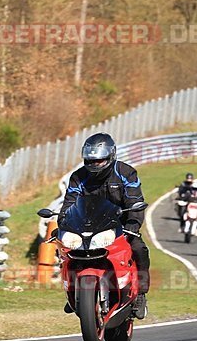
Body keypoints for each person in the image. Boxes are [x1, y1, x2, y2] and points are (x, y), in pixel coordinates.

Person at [59, 133, 150, 318]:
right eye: (91, 161)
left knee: (139, 249)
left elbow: (135, 200)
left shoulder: (126, 173)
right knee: (65, 251)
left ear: (110, 157)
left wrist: (133, 224)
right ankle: (74, 292)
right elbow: (69, 203)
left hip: (119, 225)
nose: (95, 165)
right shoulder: (78, 177)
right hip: (87, 226)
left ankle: (140, 293)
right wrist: (62, 222)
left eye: (100, 161)